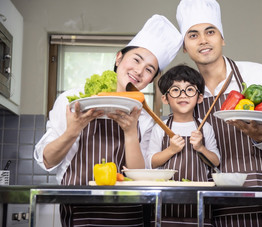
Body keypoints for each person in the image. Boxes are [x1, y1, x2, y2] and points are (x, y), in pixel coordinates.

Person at [34, 14, 182, 226]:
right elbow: (47, 160)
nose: (139, 72)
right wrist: (73, 130)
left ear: (151, 79)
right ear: (119, 58)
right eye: (136, 60)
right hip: (79, 211)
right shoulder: (73, 100)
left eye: (149, 69)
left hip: (129, 215)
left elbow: (141, 176)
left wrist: (131, 132)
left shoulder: (145, 117)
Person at [176, 0, 262, 226]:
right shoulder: (185, 90)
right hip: (204, 200)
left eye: (210, 32)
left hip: (255, 196)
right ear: (185, 46)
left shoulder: (258, 75)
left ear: (222, 37)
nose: (203, 40)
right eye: (193, 35)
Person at [146, 64, 220, 226]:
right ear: (165, 98)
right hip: (164, 203)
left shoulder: (205, 127)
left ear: (199, 97)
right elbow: (150, 162)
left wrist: (201, 148)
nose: (183, 95)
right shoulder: (160, 128)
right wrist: (171, 150)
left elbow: (216, 162)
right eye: (175, 90)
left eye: (190, 90)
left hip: (200, 204)